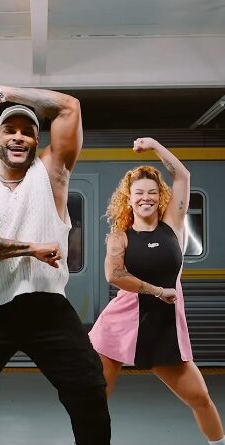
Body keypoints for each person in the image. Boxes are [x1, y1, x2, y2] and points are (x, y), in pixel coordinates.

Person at [0, 86, 111, 445]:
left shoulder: (51, 174)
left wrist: (4, 93)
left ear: (36, 141)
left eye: (27, 132)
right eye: (9, 130)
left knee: (89, 390)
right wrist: (30, 248)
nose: (18, 137)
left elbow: (70, 107)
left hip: (46, 307)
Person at [89, 137, 224, 445]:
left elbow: (182, 176)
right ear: (129, 199)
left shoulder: (172, 225)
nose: (146, 198)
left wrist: (154, 145)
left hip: (163, 328)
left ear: (160, 196)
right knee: (95, 400)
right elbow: (114, 275)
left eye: (152, 192)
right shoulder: (119, 238)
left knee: (200, 397)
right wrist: (157, 291)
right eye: (139, 193)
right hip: (119, 327)